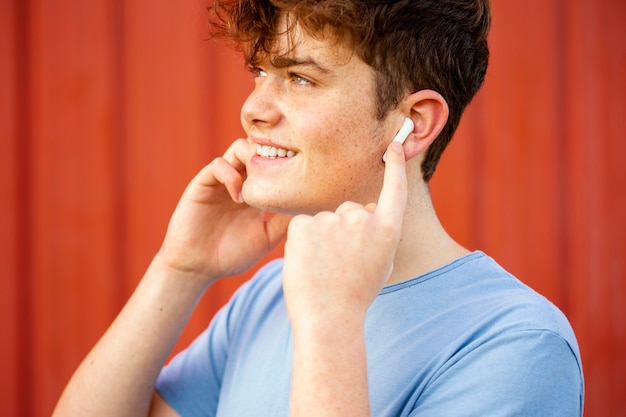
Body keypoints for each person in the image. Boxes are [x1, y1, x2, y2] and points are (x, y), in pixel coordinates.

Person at [53, 0, 584, 416]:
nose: (252, 109)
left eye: (300, 78)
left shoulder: (515, 346)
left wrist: (331, 326)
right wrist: (179, 269)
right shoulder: (266, 298)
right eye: (260, 72)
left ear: (414, 124)